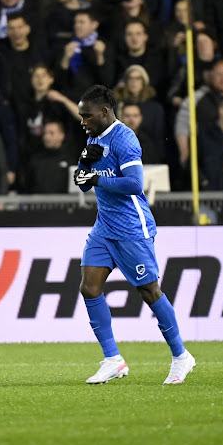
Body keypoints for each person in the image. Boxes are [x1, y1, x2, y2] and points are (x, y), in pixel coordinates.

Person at [73, 84, 195, 385]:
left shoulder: (125, 139)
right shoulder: (93, 137)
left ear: (104, 112)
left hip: (131, 228)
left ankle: (181, 356)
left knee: (150, 292)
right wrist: (85, 163)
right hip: (104, 226)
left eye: (86, 116)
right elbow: (83, 183)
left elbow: (135, 184)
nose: (82, 122)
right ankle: (113, 359)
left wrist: (96, 177)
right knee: (89, 288)